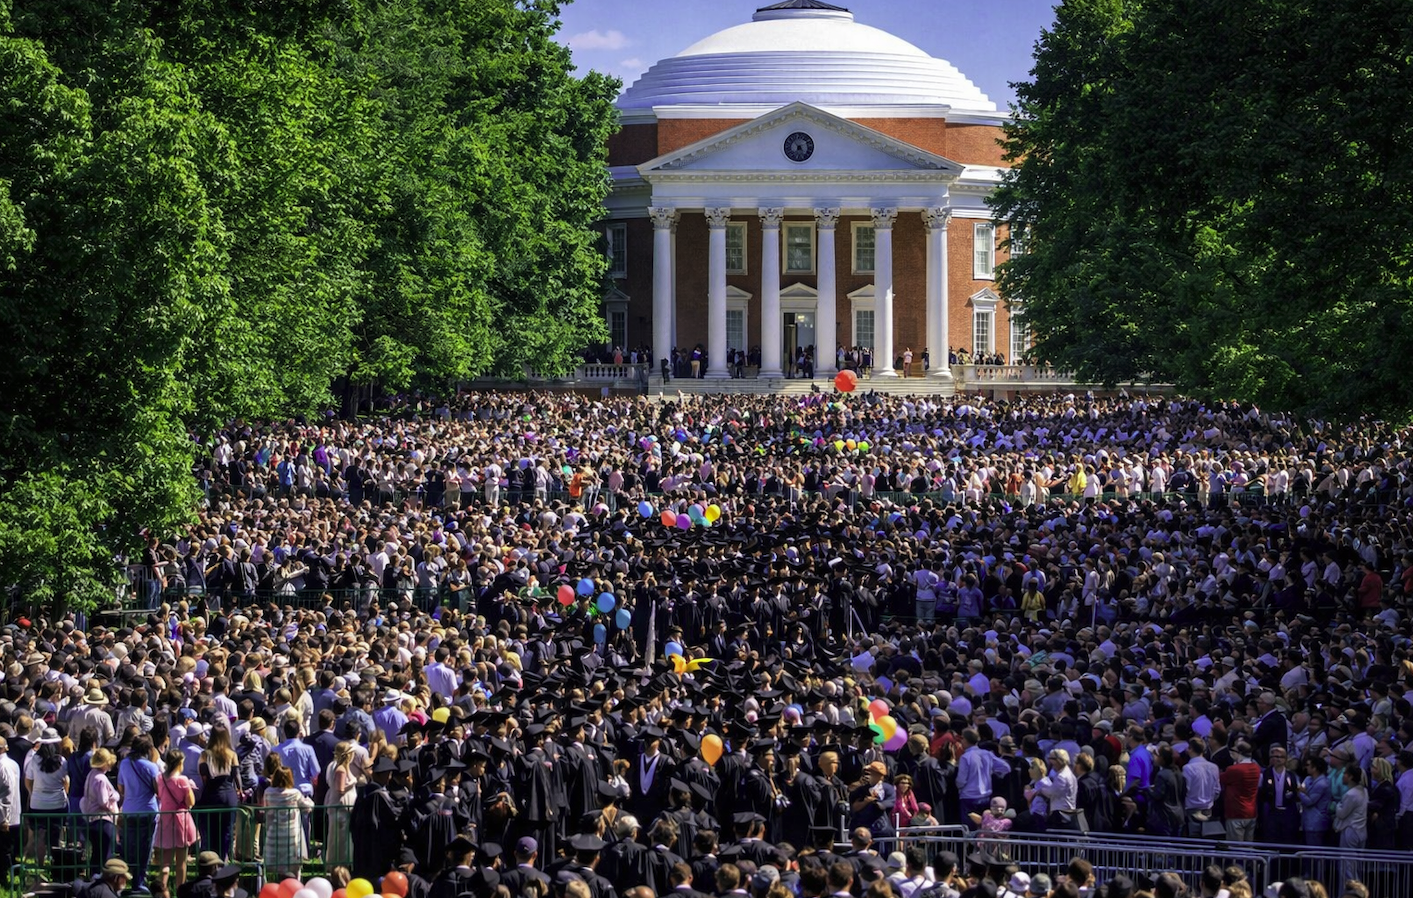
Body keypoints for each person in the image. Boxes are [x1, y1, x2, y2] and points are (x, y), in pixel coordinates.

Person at [118, 734, 162, 892]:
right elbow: (158, 790)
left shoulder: (124, 764)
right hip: (148, 811)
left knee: (130, 847)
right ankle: (139, 881)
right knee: (145, 848)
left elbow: (121, 788)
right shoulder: (152, 767)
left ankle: (128, 878)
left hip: (130, 810)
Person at [155, 748, 199, 889]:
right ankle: (181, 891)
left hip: (165, 820)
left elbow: (160, 796)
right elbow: (190, 802)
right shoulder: (182, 780)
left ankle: (161, 890)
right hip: (181, 820)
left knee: (165, 863)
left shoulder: (159, 778)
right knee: (181, 862)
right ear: (180, 763)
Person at [196, 725, 242, 862]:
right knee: (227, 830)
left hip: (211, 794)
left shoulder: (205, 754)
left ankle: (211, 861)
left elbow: (203, 776)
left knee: (210, 831)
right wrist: (240, 790)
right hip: (228, 794)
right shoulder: (232, 754)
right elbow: (236, 775)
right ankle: (224, 859)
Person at [262, 764, 313, 879]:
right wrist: (310, 801)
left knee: (275, 859)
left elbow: (265, 807)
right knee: (292, 860)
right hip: (291, 833)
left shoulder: (268, 792)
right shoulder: (295, 793)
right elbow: (306, 807)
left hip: (274, 831)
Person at [81, 749, 122, 878]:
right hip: (103, 822)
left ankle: (93, 879)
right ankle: (104, 881)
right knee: (106, 854)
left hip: (91, 820)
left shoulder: (91, 775)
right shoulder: (101, 779)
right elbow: (103, 801)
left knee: (96, 855)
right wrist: (114, 798)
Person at [324, 740, 358, 867]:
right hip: (340, 809)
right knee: (339, 839)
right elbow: (340, 788)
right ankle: (337, 864)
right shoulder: (340, 769)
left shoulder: (342, 767)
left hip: (343, 808)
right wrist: (353, 782)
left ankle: (343, 863)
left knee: (343, 839)